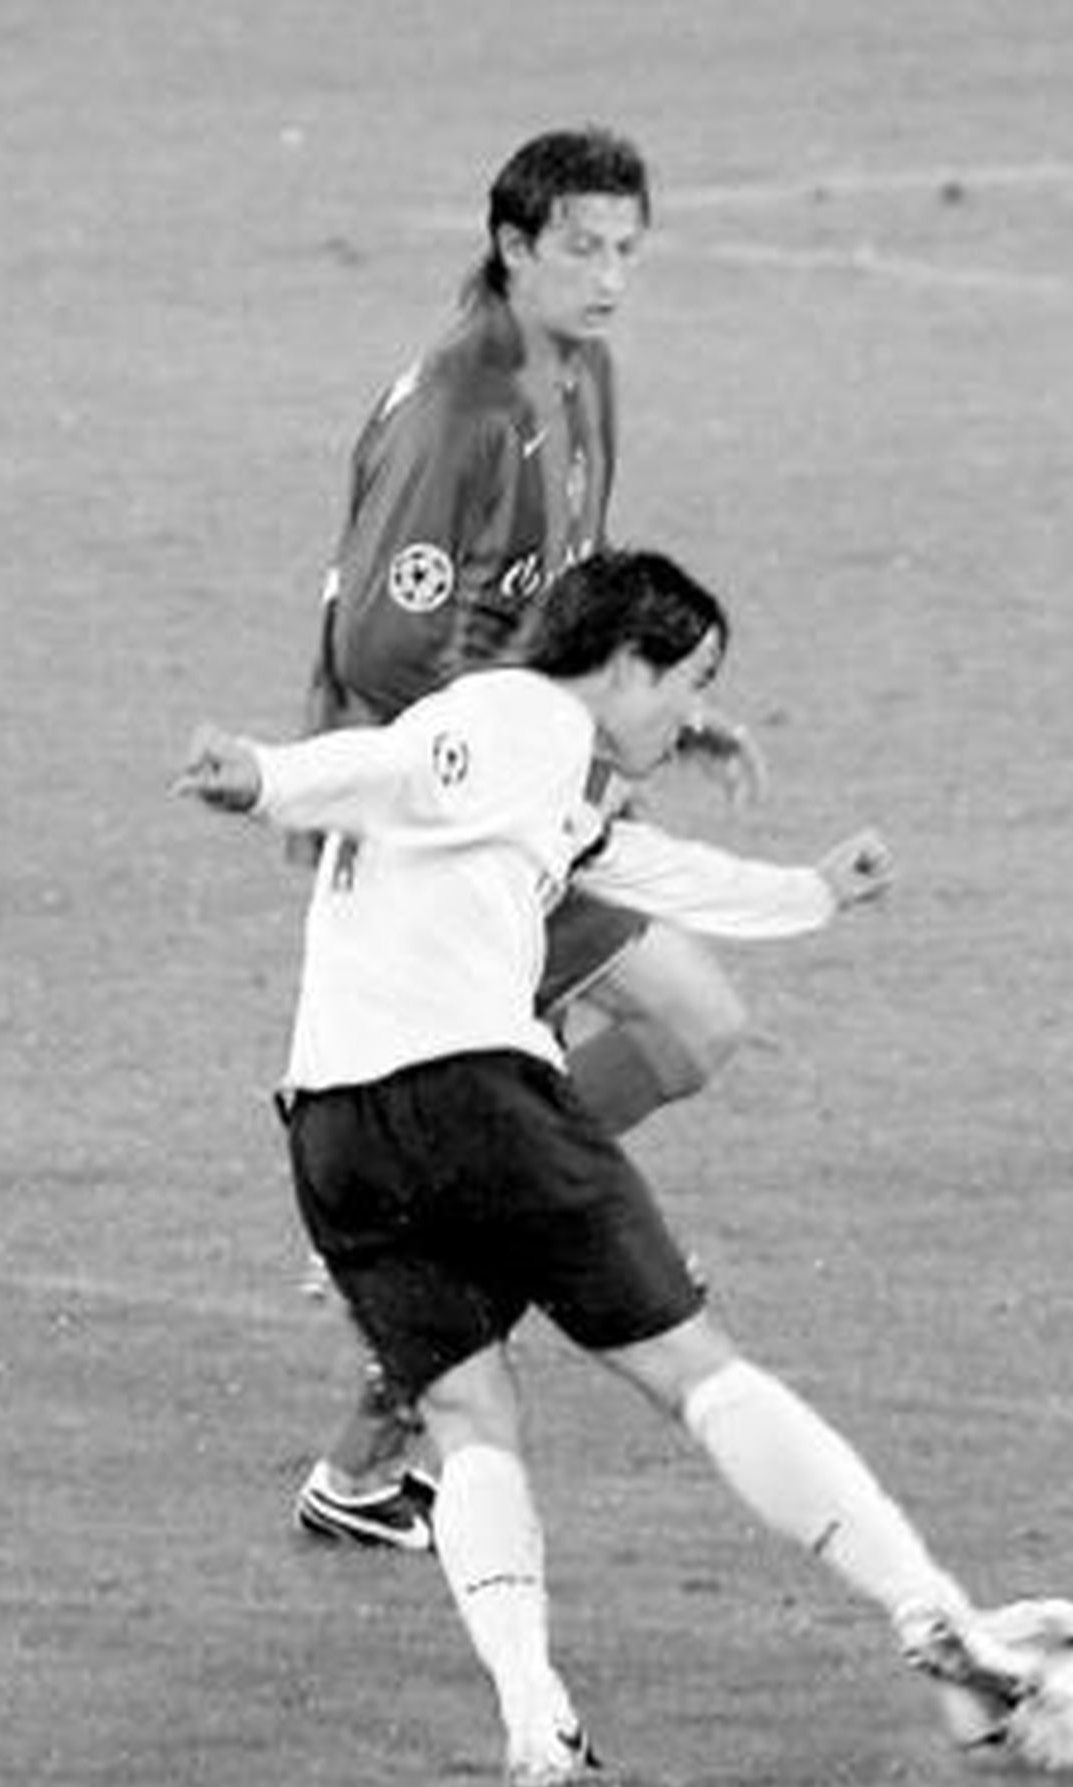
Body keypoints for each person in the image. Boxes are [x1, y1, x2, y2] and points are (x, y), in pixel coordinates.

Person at [177, 549, 1050, 1787]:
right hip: (471, 1097)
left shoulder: (541, 771)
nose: (691, 713)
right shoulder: (514, 718)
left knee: (470, 1412)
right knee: (697, 1374)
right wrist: (264, 776)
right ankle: (933, 1612)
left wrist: (808, 891)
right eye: (687, 680)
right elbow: (385, 768)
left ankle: (539, 1724)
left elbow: (632, 870)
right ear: (625, 660)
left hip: (331, 1130)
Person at [293, 127, 764, 1549]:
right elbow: (382, 652)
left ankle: (374, 1445)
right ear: (512, 244)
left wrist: (649, 712)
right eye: (583, 248)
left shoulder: (582, 371)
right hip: (452, 825)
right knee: (685, 1024)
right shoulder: (462, 410)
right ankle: (393, 1414)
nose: (612, 277)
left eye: (630, 249)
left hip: (530, 803)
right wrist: (523, 784)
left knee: (689, 1031)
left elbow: (563, 611)